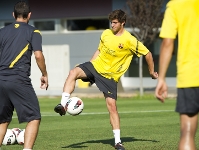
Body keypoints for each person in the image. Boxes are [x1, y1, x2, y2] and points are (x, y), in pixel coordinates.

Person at [54, 9, 158, 150]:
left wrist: (151, 72)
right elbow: (99, 51)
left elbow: (148, 54)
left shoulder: (130, 40)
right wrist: (90, 67)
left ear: (123, 23)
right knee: (73, 72)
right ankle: (63, 105)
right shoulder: (106, 33)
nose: (112, 25)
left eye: (115, 23)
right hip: (96, 66)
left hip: (109, 77)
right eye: (111, 22)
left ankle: (117, 142)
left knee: (112, 108)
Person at [0, 1, 48, 150]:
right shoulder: (33, 32)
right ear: (30, 15)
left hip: (1, 79)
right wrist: (44, 74)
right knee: (34, 117)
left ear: (13, 15)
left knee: (2, 120)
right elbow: (38, 55)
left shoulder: (2, 31)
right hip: (18, 79)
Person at [155, 0, 199, 149]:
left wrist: (161, 78)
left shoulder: (176, 5)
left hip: (191, 76)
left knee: (187, 133)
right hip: (190, 76)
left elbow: (168, 42)